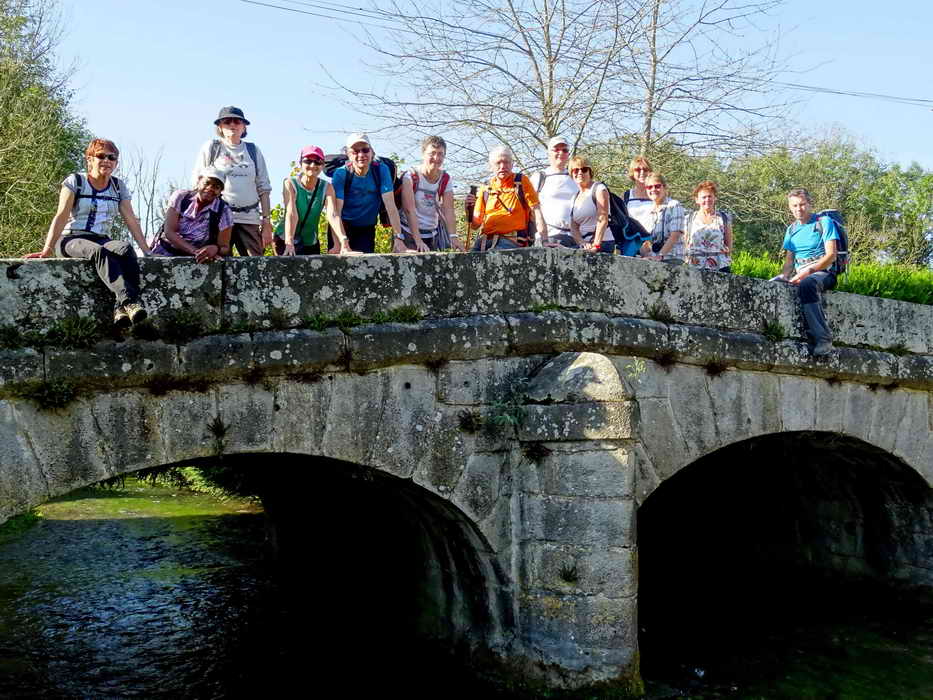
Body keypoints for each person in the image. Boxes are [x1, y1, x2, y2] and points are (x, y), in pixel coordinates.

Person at [25, 138, 151, 327]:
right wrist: (47, 249)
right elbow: (61, 215)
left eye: (112, 157)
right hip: (71, 238)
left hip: (101, 238)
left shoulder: (118, 187)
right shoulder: (75, 181)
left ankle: (120, 309)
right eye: (101, 156)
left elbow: (131, 219)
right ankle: (129, 302)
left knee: (125, 249)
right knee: (97, 252)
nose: (107, 161)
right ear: (90, 159)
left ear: (116, 162)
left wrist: (146, 250)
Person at [191, 106, 272, 256]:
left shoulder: (253, 150)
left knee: (255, 263)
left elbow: (264, 188)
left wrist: (266, 222)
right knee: (217, 261)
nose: (232, 125)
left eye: (237, 121)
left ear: (244, 126)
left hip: (249, 218)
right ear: (220, 127)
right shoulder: (211, 148)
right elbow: (197, 184)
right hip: (217, 218)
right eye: (227, 121)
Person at [778, 187, 839, 357]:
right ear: (790, 207)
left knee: (807, 284)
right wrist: (784, 277)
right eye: (794, 206)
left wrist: (808, 271)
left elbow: (831, 255)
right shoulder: (791, 230)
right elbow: (789, 262)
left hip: (824, 272)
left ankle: (824, 339)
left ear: (809, 204)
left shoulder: (824, 222)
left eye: (802, 204)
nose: (799, 209)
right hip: (801, 274)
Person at [331, 133, 406, 254]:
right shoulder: (341, 174)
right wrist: (339, 243)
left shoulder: (381, 170)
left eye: (365, 150)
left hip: (366, 228)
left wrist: (398, 239)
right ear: (348, 155)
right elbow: (336, 212)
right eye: (355, 151)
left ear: (372, 152)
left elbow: (391, 207)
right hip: (342, 227)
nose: (361, 155)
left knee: (364, 263)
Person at [274, 145, 355, 256]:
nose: (312, 165)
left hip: (310, 241)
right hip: (285, 239)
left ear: (322, 165)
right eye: (308, 161)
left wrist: (343, 240)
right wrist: (289, 241)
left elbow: (333, 215)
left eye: (317, 162)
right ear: (300, 163)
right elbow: (291, 213)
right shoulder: (290, 183)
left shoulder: (327, 187)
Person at [467, 146, 545, 251]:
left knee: (493, 258)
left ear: (512, 164)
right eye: (498, 163)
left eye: (506, 162)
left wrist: (544, 239)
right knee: (468, 259)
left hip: (511, 240)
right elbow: (475, 225)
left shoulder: (521, 181)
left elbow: (536, 209)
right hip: (485, 241)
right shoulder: (486, 188)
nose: (502, 166)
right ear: (491, 166)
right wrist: (468, 209)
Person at [151, 167, 233, 261]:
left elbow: (225, 248)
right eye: (206, 183)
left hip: (198, 260)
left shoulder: (224, 211)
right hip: (165, 252)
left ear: (221, 191)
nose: (210, 188)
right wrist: (195, 251)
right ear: (199, 181)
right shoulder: (181, 197)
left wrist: (215, 248)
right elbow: (169, 232)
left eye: (216, 187)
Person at [398, 135, 464, 252]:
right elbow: (409, 210)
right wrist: (418, 241)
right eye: (432, 153)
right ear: (423, 154)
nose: (436, 158)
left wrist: (453, 237)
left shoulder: (445, 179)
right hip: (408, 232)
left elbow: (449, 209)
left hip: (431, 234)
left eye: (440, 154)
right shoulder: (411, 176)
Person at [531, 136, 578, 247]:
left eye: (565, 150)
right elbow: (531, 209)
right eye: (556, 149)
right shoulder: (539, 177)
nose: (561, 153)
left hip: (575, 239)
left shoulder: (576, 177)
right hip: (548, 238)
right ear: (549, 153)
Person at [684, 180, 733, 272]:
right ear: (697, 200)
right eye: (704, 197)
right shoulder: (688, 219)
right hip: (695, 267)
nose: (707, 200)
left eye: (710, 196)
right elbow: (684, 244)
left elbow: (729, 245)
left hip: (720, 267)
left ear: (715, 198)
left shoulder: (724, 218)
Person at [568, 156, 613, 253]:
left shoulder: (599, 189)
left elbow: (603, 219)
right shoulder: (574, 197)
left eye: (584, 169)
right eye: (576, 170)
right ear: (571, 173)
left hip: (603, 243)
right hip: (585, 244)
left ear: (590, 172)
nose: (580, 173)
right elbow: (573, 226)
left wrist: (596, 245)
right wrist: (581, 242)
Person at [643, 173, 685, 264]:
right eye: (649, 187)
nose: (653, 189)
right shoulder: (647, 210)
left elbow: (675, 235)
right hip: (652, 260)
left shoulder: (674, 205)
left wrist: (660, 256)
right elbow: (646, 240)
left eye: (657, 186)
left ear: (664, 187)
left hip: (672, 259)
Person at [624, 156, 654, 230]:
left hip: (655, 236)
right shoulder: (626, 196)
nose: (642, 172)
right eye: (638, 170)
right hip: (633, 236)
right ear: (633, 173)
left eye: (645, 169)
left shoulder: (656, 194)